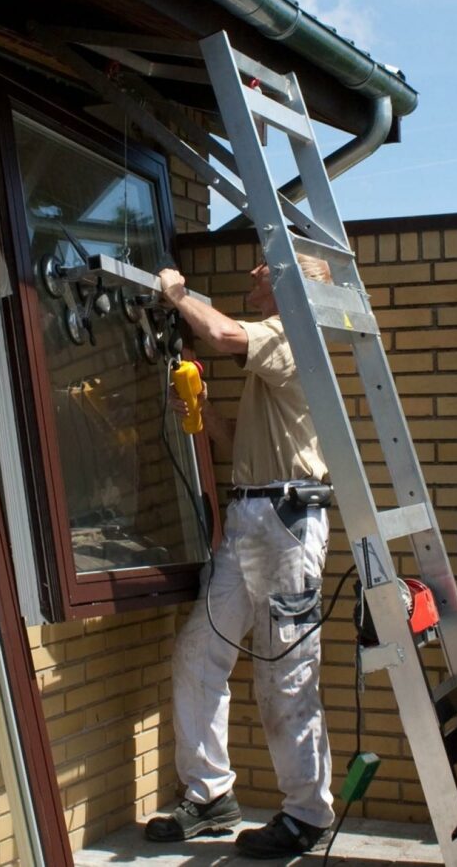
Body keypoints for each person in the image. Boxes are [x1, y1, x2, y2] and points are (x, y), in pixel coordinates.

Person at [144, 257, 336, 859]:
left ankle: (307, 814)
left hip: (286, 520)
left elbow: (223, 333)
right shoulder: (272, 358)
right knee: (200, 653)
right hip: (253, 514)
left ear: (290, 290)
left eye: (262, 276)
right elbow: (243, 444)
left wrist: (177, 295)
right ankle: (208, 796)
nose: (251, 282)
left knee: (286, 675)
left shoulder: (295, 334)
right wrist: (202, 420)